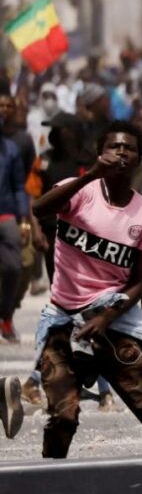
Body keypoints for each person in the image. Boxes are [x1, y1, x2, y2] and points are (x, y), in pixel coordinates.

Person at [31, 120, 142, 458]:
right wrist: (90, 175)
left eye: (128, 148)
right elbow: (39, 208)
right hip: (63, 322)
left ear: (138, 159)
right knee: (62, 415)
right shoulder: (78, 192)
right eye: (113, 146)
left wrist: (106, 318)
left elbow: (140, 282)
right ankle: (47, 486)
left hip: (113, 322)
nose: (120, 152)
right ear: (100, 153)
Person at [0, 92, 28, 344]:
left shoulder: (11, 150)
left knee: (14, 267)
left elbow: (19, 185)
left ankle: (6, 316)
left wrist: (23, 219)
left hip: (6, 214)